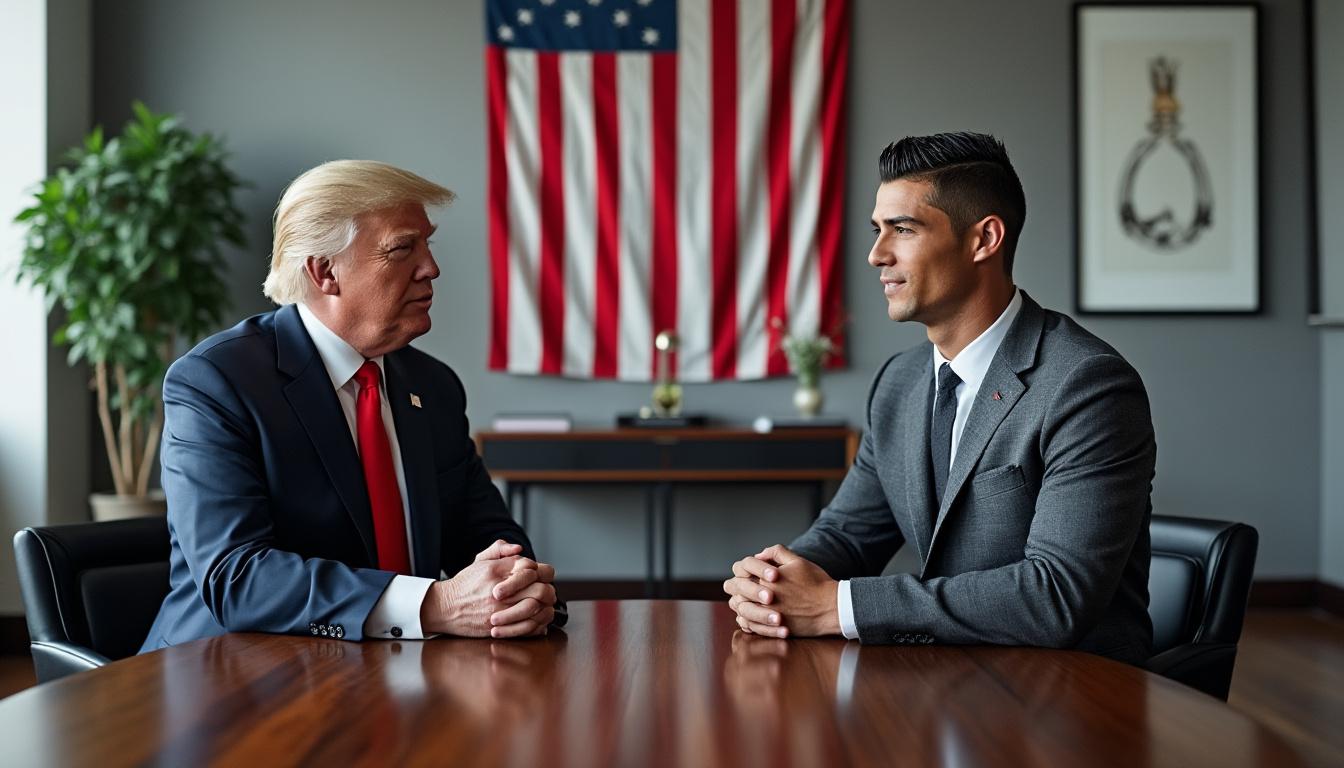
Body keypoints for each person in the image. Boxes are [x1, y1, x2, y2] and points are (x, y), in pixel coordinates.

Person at [723, 132, 1156, 666]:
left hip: (1074, 702)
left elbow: (1057, 595)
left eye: (902, 229)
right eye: (878, 230)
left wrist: (838, 606)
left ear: (984, 240)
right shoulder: (899, 385)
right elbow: (848, 534)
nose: (876, 253)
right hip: (950, 682)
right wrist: (771, 583)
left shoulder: (1088, 386)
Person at [141, 160, 559, 651]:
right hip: (229, 681)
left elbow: (489, 539)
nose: (431, 267)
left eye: (428, 243)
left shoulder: (434, 386)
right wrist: (434, 604)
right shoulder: (216, 382)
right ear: (325, 272)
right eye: (403, 248)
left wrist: (518, 592)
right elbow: (237, 579)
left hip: (390, 679)